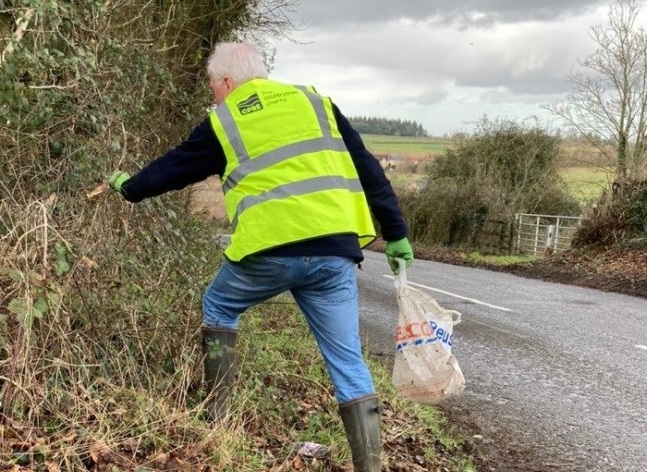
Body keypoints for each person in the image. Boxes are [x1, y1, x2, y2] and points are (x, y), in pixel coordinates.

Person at [108, 42, 413, 472]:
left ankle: (218, 420)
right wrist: (396, 234)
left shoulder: (227, 119)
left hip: (270, 251)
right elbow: (368, 168)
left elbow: (176, 167)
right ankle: (370, 467)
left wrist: (130, 186)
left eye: (214, 86)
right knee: (347, 361)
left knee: (218, 305)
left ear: (228, 82)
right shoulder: (316, 103)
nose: (214, 94)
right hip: (335, 254)